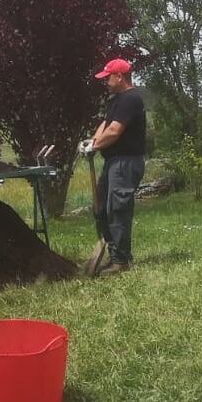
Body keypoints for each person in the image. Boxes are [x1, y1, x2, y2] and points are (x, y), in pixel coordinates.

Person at [81, 58, 146, 276]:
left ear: (120, 76)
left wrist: (95, 146)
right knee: (101, 209)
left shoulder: (131, 99)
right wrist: (92, 142)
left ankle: (121, 261)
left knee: (117, 209)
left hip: (126, 162)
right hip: (114, 161)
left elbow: (115, 131)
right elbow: (105, 125)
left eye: (108, 77)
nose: (105, 81)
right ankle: (113, 253)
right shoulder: (116, 100)